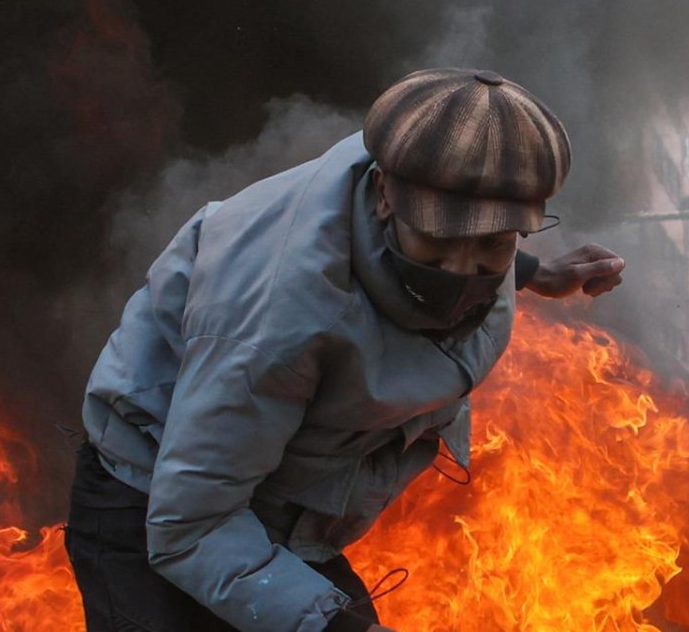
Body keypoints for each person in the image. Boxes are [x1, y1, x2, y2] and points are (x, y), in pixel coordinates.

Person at [63, 68, 627, 632]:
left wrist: (533, 271)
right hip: (157, 504)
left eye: (494, 244)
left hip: (275, 497)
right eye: (438, 241)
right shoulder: (277, 317)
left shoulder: (428, 174)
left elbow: (468, 229)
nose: (461, 272)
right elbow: (190, 527)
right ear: (385, 195)